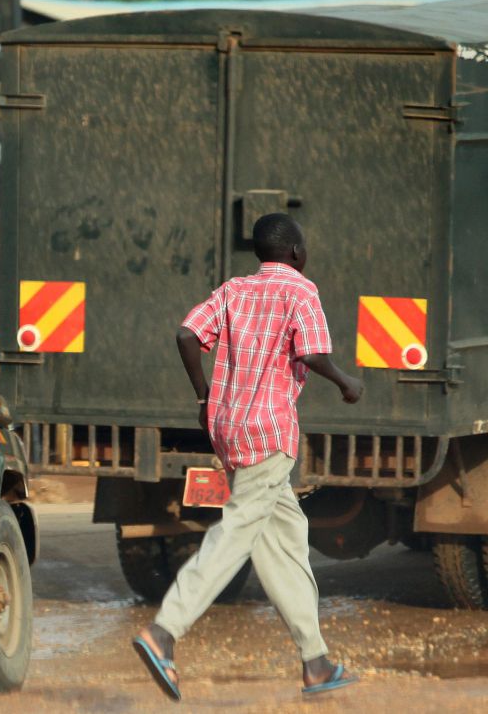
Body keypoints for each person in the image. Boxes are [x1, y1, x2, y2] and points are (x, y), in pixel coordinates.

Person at [133, 213, 364, 701]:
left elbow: (186, 335)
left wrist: (203, 397)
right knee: (236, 533)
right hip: (269, 433)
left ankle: (316, 662)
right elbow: (313, 353)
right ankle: (164, 633)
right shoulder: (301, 291)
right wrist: (346, 381)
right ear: (296, 253)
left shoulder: (235, 289)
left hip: (229, 429)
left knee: (283, 541)